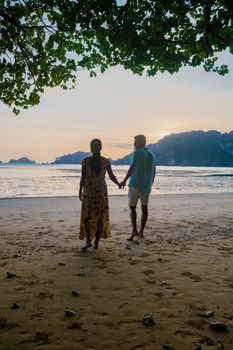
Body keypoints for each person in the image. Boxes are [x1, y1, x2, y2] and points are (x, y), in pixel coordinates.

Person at [79, 139, 120, 250]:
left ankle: (88, 241)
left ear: (91, 148)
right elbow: (111, 176)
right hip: (101, 191)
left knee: (87, 216)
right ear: (100, 148)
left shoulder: (85, 161)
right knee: (100, 216)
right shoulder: (105, 161)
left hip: (89, 191)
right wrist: (119, 184)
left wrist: (79, 191)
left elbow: (83, 178)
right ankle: (96, 242)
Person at [120, 135, 156, 241]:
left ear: (141, 142)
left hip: (135, 184)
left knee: (132, 207)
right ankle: (142, 232)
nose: (134, 144)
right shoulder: (152, 155)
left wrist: (124, 180)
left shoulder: (136, 153)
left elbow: (132, 168)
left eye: (135, 142)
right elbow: (154, 172)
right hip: (146, 186)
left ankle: (134, 230)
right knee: (144, 208)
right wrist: (150, 184)